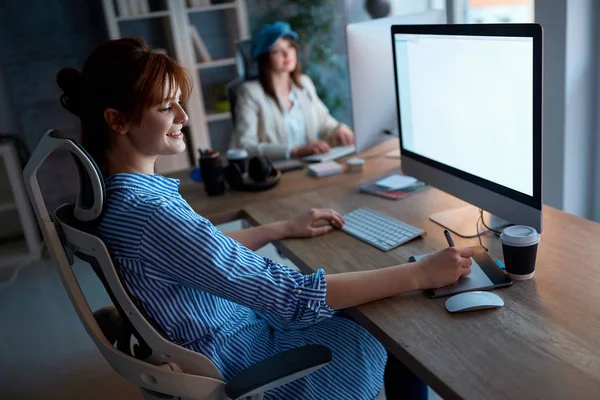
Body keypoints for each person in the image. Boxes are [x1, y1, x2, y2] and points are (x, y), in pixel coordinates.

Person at [56, 37, 473, 399]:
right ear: (117, 121)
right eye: (167, 107)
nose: (183, 118)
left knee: (365, 295)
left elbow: (194, 255)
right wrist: (419, 274)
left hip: (231, 329)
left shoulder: (117, 198)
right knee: (389, 324)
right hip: (246, 355)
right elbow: (294, 298)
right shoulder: (151, 213)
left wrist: (284, 228)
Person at [234, 21, 355, 160]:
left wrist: (338, 129)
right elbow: (245, 145)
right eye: (277, 50)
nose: (287, 54)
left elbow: (324, 121)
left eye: (290, 46)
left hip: (314, 164)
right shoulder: (250, 92)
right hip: (278, 172)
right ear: (264, 57)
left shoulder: (304, 84)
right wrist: (295, 151)